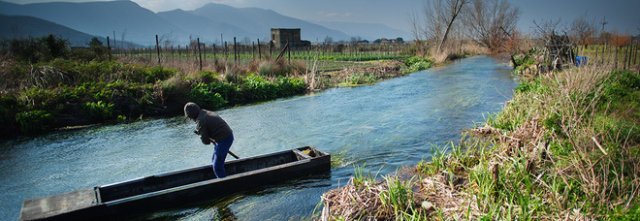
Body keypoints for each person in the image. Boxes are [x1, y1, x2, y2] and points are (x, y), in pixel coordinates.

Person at [184, 102, 234, 178]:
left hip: (224, 139)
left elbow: (206, 141)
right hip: (224, 137)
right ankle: (221, 178)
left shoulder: (201, 120)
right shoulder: (203, 112)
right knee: (214, 160)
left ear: (192, 115)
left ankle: (224, 183)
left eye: (189, 117)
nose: (190, 119)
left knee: (217, 166)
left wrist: (202, 135)